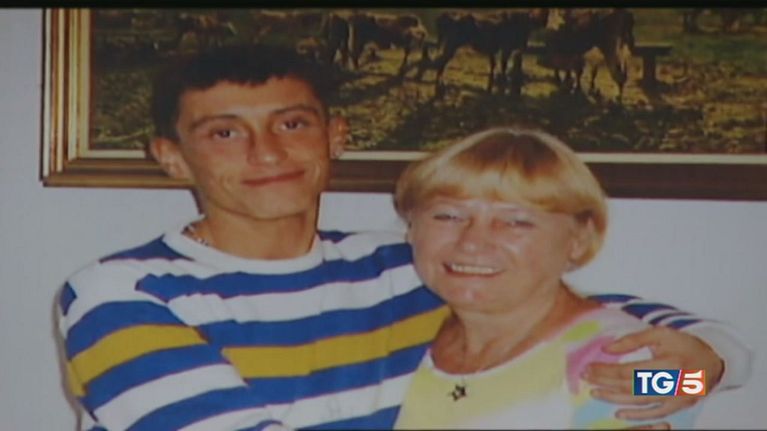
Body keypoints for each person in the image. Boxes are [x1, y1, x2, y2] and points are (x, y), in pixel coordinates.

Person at [55, 44, 751, 431]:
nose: (267, 153)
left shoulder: (407, 266)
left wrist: (710, 362)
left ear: (335, 137)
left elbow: (569, 322)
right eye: (224, 133)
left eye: (292, 124)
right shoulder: (123, 292)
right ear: (172, 157)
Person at [391, 127, 718, 429]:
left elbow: (690, 383)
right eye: (448, 215)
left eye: (516, 222)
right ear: (412, 228)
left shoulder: (616, 356)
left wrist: (702, 375)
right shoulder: (401, 332)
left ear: (578, 239)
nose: (472, 241)